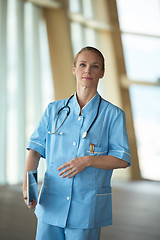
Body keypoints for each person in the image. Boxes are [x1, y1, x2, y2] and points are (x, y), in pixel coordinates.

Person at [23, 46, 131, 240]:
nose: (87, 70)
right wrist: (28, 185)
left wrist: (87, 161)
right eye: (83, 65)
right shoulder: (54, 110)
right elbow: (35, 149)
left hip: (87, 209)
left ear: (102, 73)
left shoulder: (113, 115)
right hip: (51, 203)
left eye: (94, 66)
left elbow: (121, 159)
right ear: (74, 69)